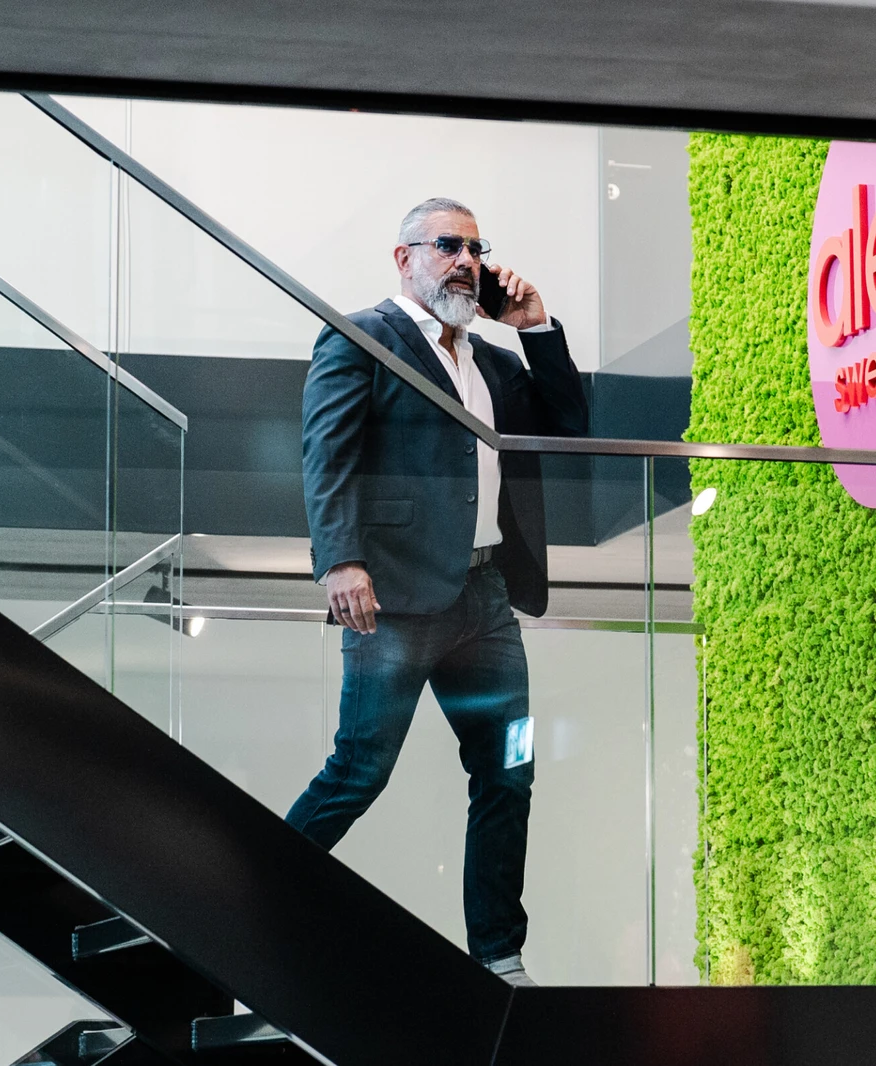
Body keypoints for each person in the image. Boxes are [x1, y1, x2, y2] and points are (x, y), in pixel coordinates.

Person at [287, 197, 588, 988]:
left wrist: (535, 324)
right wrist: (339, 559)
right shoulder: (363, 337)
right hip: (393, 602)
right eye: (447, 244)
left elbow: (568, 426)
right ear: (404, 257)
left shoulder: (491, 358)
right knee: (361, 769)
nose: (465, 259)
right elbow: (328, 454)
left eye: (475, 246)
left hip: (488, 603)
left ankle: (498, 955)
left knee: (509, 771)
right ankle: (256, 892)